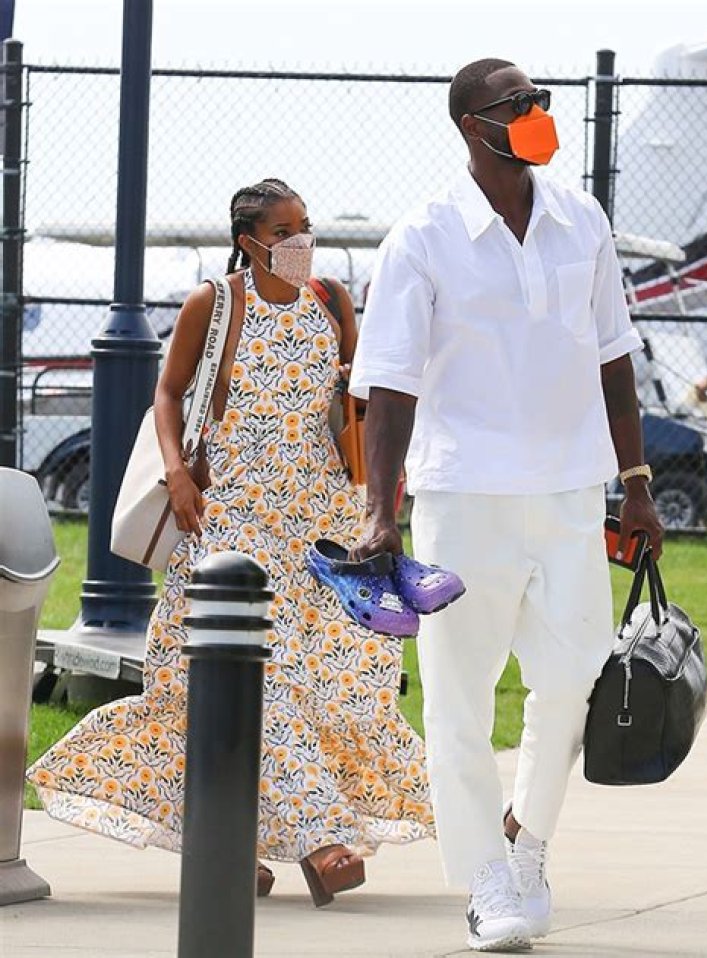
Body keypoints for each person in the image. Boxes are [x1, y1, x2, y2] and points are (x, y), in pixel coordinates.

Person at [28, 178, 433, 907]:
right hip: (230, 521)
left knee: (323, 688)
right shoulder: (215, 305)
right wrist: (179, 474)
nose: (302, 239)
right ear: (251, 241)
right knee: (257, 678)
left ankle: (228, 841)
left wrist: (361, 428)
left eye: (307, 224)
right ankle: (320, 839)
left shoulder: (333, 302)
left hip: (319, 525)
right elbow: (168, 392)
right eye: (287, 230)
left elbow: (366, 399)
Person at [349, 60, 664, 952]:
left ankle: (527, 841)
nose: (533, 115)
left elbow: (613, 359)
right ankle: (488, 877)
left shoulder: (581, 220)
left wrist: (634, 484)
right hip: (464, 495)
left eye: (539, 101)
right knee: (458, 698)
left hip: (571, 492)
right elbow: (390, 386)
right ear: (469, 125)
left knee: (575, 680)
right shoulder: (425, 236)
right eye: (514, 105)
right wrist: (383, 510)